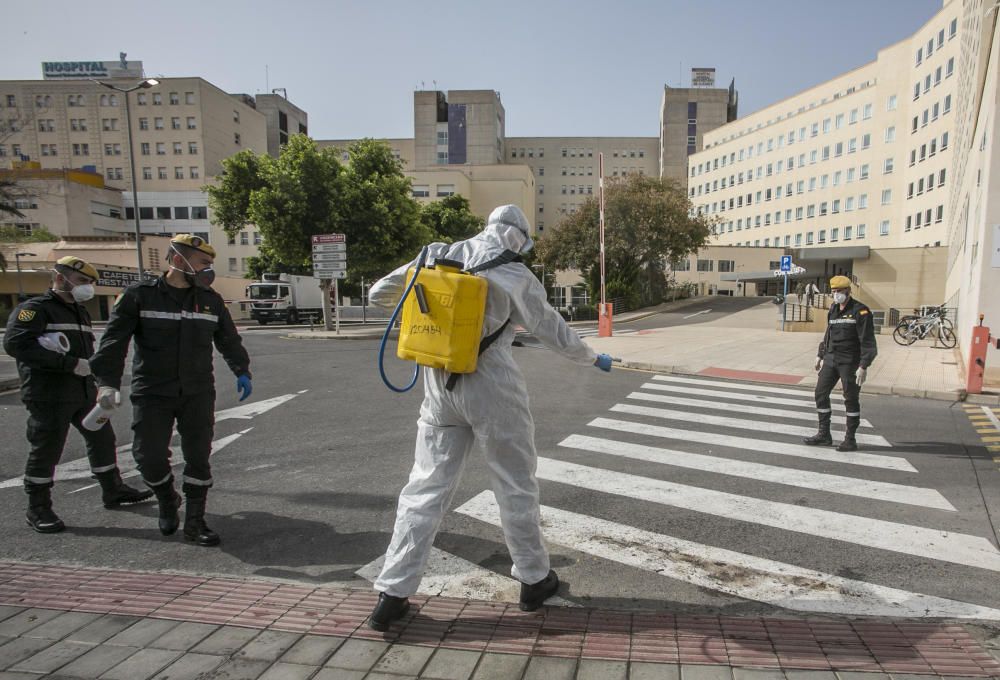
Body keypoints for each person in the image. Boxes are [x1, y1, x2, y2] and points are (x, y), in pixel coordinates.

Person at [366, 204, 613, 631]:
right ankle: (534, 580)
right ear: (518, 239)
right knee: (515, 484)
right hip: (492, 388)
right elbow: (554, 331)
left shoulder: (435, 254)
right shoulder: (515, 276)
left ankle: (392, 593)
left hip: (438, 386)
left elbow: (378, 295)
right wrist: (593, 358)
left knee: (424, 490)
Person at [90, 235, 252, 546]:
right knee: (147, 456)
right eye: (203, 263)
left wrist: (241, 370)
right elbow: (113, 342)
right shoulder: (140, 296)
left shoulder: (210, 300)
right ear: (179, 260)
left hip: (197, 391)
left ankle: (195, 522)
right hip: (152, 391)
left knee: (198, 457)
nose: (208, 269)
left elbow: (229, 340)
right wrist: (106, 383)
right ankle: (166, 497)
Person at [3, 256, 153, 533]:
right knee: (46, 449)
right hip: (49, 394)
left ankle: (113, 489)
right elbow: (15, 344)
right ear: (61, 278)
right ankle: (38, 507)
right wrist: (69, 364)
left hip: (83, 391)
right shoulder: (35, 310)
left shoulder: (79, 312)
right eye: (82, 281)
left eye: (90, 283)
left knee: (102, 439)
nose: (87, 287)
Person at [804, 275, 877, 452]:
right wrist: (820, 354)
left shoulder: (861, 311)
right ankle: (824, 435)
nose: (835, 295)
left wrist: (863, 365)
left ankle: (850, 439)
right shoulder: (834, 309)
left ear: (848, 291)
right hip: (831, 359)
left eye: (839, 291)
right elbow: (828, 334)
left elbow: (868, 341)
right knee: (820, 394)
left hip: (850, 362)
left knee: (850, 398)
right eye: (833, 291)